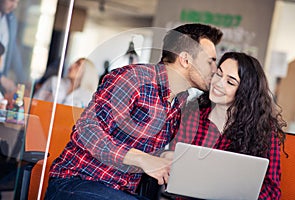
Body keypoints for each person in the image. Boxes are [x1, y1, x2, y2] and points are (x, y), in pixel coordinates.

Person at [44, 23, 223, 200]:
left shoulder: (179, 102)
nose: (215, 70)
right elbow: (87, 131)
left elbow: (139, 145)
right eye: (210, 61)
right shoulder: (135, 79)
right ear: (185, 59)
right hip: (76, 183)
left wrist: (163, 157)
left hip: (120, 192)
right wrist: (142, 159)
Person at [165, 52, 287, 200]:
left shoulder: (264, 130)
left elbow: (272, 190)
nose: (218, 84)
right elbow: (173, 173)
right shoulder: (190, 115)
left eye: (230, 82)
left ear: (245, 92)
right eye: (218, 74)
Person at [34, 58, 99, 108]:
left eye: (78, 64)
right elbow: (35, 102)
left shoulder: (88, 97)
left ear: (86, 72)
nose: (72, 65)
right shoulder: (54, 82)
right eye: (74, 62)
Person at [0, 0, 23, 95]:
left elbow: (13, 50)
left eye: (17, 2)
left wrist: (22, 79)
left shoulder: (11, 20)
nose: (14, 6)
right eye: (12, 0)